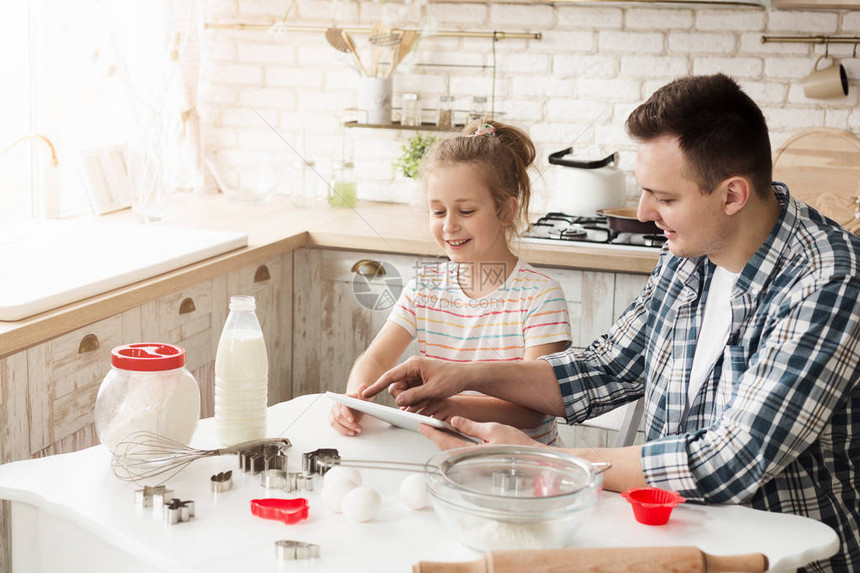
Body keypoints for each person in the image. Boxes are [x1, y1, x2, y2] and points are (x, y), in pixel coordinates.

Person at [362, 74, 860, 572]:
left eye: (663, 198)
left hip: (788, 560)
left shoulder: (829, 279)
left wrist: (559, 467)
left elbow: (731, 458)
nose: (644, 213)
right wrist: (468, 375)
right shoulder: (689, 256)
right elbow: (606, 368)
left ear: (732, 195)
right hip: (672, 544)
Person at [329, 119, 572, 445]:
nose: (449, 226)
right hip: (445, 451)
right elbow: (376, 358)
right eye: (438, 212)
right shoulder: (425, 286)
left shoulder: (540, 296)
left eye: (466, 211)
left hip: (521, 464)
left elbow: (533, 407)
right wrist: (356, 399)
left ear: (506, 210)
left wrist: (450, 406)